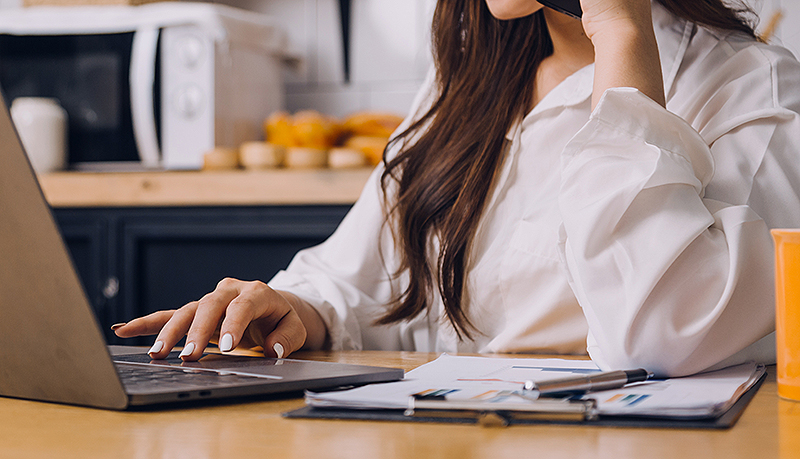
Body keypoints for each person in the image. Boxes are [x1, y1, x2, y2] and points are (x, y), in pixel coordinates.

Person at [114, 0, 800, 377]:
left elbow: (662, 334)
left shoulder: (753, 89)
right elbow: (354, 277)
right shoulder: (473, 78)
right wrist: (295, 308)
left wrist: (619, 29)